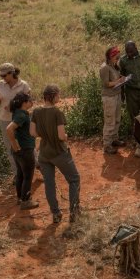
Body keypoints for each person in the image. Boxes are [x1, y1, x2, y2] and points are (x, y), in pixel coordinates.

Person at [30, 85, 81, 223]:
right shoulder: (57, 113)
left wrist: (45, 134)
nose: (59, 97)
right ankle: (74, 213)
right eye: (58, 95)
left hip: (44, 154)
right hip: (59, 152)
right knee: (74, 179)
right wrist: (66, 135)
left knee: (49, 184)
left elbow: (33, 133)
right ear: (52, 96)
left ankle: (56, 214)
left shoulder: (36, 112)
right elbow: (60, 136)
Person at [0, 63, 31, 174]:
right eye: (1, 76)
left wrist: (14, 107)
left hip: (20, 120)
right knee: (10, 147)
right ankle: (17, 174)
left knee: (26, 144)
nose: (2, 78)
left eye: (4, 76)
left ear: (11, 73)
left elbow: (30, 104)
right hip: (5, 119)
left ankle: (35, 165)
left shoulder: (23, 85)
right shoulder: (0, 85)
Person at [5, 92, 39, 210]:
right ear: (24, 103)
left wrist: (14, 146)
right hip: (25, 150)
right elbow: (9, 129)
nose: (31, 102)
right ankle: (26, 201)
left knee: (20, 174)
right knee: (28, 176)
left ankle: (20, 198)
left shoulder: (18, 113)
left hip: (18, 151)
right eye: (30, 100)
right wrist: (15, 144)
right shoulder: (22, 115)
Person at [100, 46, 127, 154]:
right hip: (109, 97)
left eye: (118, 57)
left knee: (117, 119)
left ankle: (114, 139)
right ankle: (107, 145)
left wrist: (122, 78)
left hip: (116, 95)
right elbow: (106, 84)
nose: (118, 59)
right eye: (116, 57)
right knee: (109, 121)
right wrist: (119, 81)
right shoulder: (104, 68)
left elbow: (115, 77)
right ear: (110, 57)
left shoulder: (114, 65)